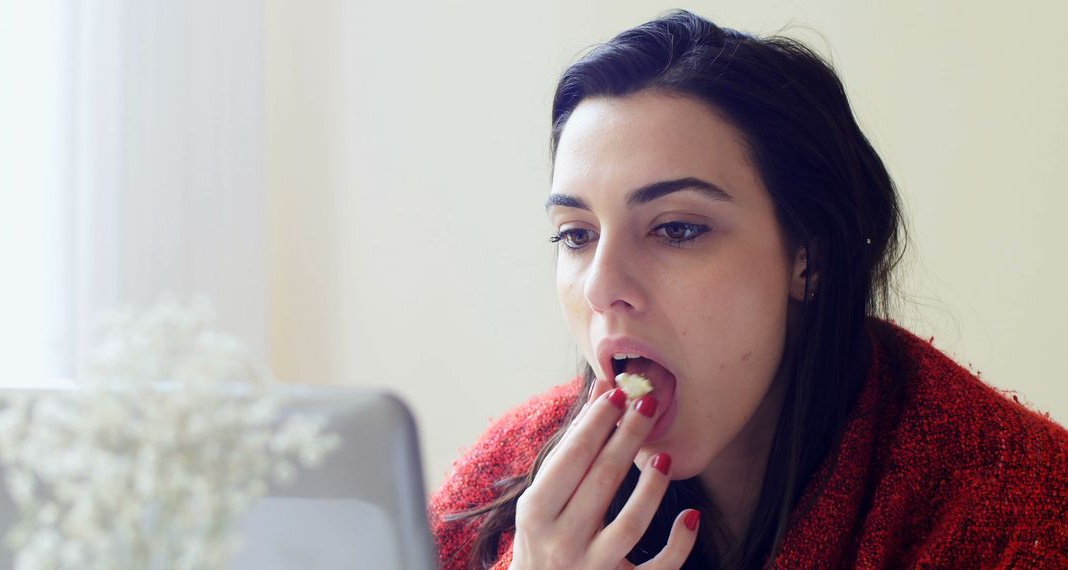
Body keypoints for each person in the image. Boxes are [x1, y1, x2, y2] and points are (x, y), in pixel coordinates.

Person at [428, 10, 1068, 569]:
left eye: (676, 229)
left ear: (808, 259)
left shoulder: (1020, 507)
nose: (601, 286)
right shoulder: (502, 483)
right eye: (575, 235)